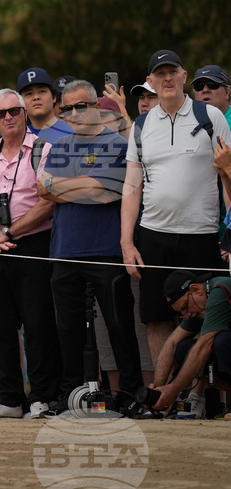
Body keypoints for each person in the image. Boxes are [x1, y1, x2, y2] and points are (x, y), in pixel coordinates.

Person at [120, 50, 230, 367]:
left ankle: (197, 397)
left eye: (173, 72)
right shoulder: (140, 126)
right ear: (151, 82)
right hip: (153, 235)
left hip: (202, 234)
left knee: (204, 317)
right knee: (155, 317)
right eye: (160, 74)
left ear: (184, 76)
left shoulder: (212, 118)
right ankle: (163, 392)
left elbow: (227, 176)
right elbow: (131, 187)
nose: (167, 79)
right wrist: (127, 242)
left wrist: (230, 234)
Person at [37, 80, 143, 410]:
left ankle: (130, 393)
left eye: (79, 106)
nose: (72, 114)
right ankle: (71, 395)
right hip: (65, 250)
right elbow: (44, 190)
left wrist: (67, 186)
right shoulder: (60, 143)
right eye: (65, 109)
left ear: (96, 106)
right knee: (67, 330)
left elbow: (106, 190)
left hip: (106, 249)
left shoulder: (117, 143)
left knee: (119, 327)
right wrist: (84, 184)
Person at [0, 89, 60, 419]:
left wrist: (7, 233)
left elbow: (48, 202)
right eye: (0, 114)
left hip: (32, 244)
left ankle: (40, 397)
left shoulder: (42, 150)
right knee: (0, 326)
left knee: (37, 325)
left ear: (24, 113)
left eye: (14, 111)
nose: (8, 118)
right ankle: (7, 398)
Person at [151, 270, 231, 412]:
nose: (186, 315)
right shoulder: (199, 302)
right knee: (184, 349)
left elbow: (203, 347)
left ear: (196, 290)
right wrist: (157, 390)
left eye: (185, 308)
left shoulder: (219, 291)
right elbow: (172, 343)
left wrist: (174, 389)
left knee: (220, 342)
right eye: (181, 312)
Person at [17, 67, 73, 143]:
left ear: (54, 97)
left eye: (42, 91)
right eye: (29, 94)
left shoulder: (74, 133)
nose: (36, 97)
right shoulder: (17, 139)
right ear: (21, 102)